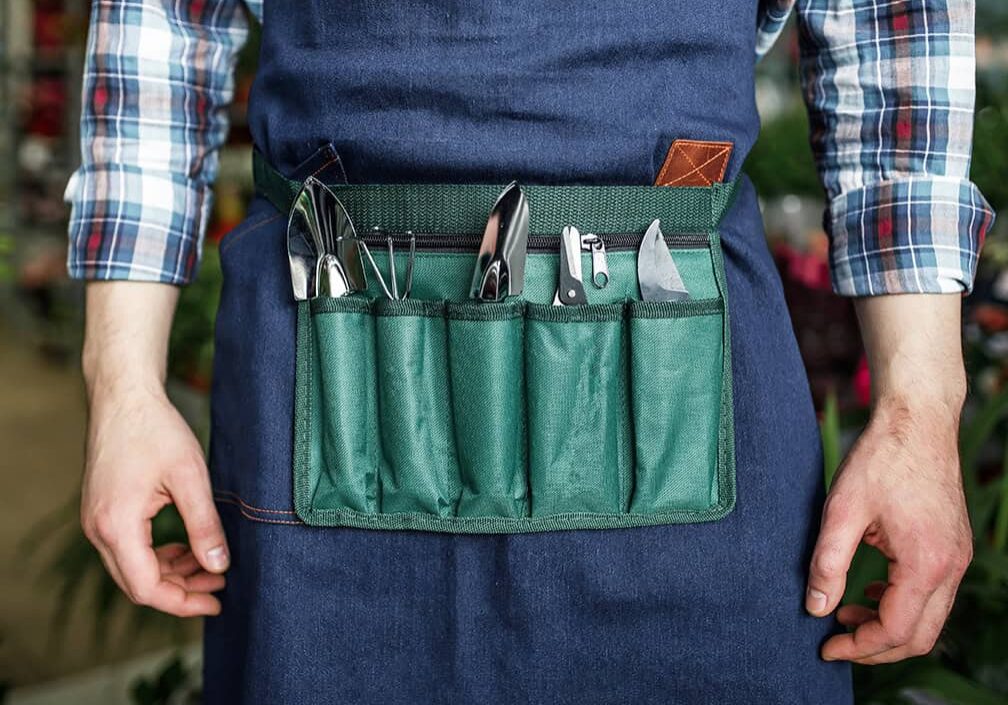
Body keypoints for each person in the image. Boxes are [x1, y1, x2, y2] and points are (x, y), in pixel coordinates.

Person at [65, 1, 994, 703]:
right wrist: (123, 383)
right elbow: (160, 28)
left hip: (690, 361)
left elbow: (891, 38)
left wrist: (920, 410)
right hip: (324, 382)